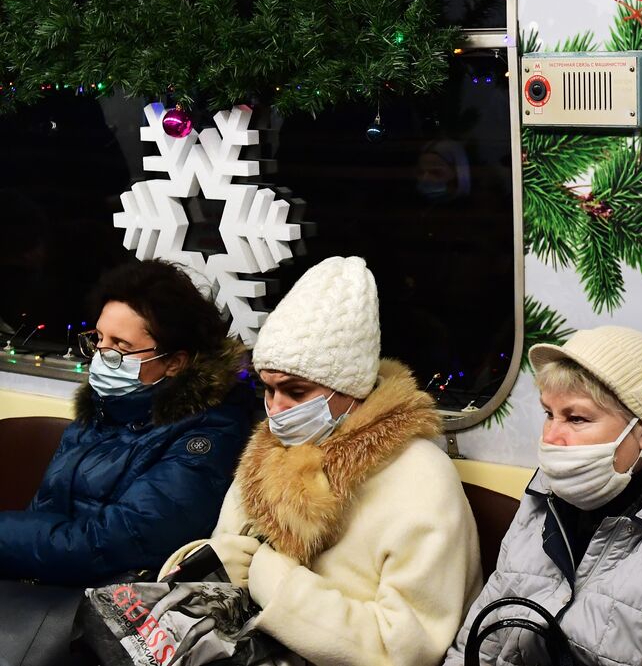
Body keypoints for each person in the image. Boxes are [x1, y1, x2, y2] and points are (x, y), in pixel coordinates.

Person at [162, 255, 481, 666]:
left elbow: (408, 647)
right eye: (269, 389)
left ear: (351, 388)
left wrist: (276, 585)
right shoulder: (268, 452)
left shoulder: (422, 479)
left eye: (296, 392)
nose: (275, 409)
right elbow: (229, 547)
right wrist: (207, 565)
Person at [441, 325, 642, 666]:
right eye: (548, 414)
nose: (552, 437)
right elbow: (479, 642)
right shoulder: (549, 492)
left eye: (577, 418)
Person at [0, 259, 253, 585]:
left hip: (98, 610)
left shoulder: (208, 436)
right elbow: (47, 512)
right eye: (99, 339)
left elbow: (113, 543)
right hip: (40, 580)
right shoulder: (105, 409)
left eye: (121, 347)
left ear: (175, 362)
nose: (101, 357)